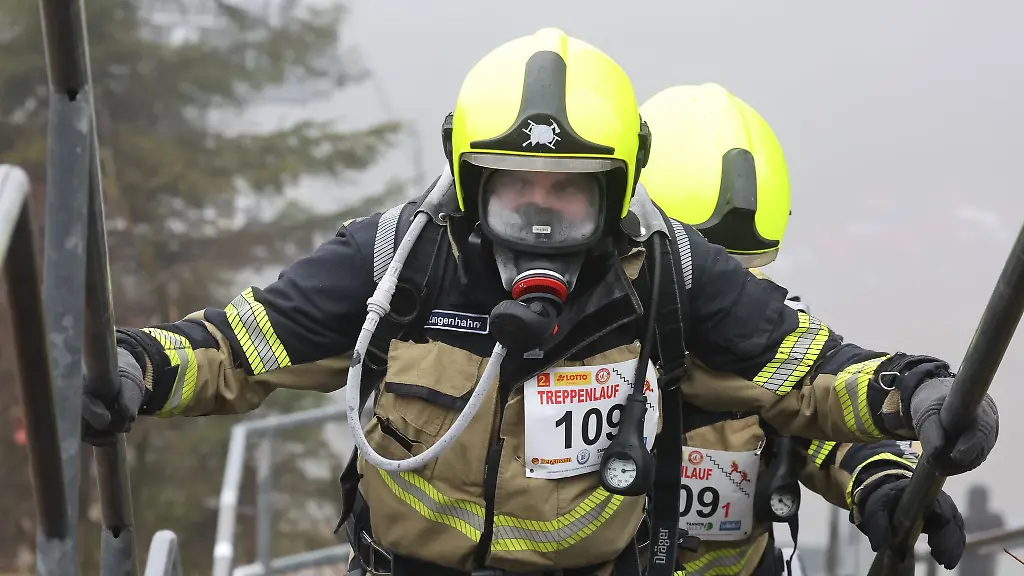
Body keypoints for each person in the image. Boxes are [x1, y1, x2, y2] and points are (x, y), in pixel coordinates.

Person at [81, 29, 999, 576]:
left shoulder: (670, 277)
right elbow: (236, 348)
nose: (544, 220)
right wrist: (127, 368)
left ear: (623, 184)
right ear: (466, 176)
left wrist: (920, 396)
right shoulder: (396, 264)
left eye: (572, 193)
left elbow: (808, 372)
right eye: (517, 191)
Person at [637, 83, 969, 576]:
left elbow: (819, 409)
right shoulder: (588, 322)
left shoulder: (773, 323)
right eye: (708, 280)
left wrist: (880, 475)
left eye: (740, 276)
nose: (730, 303)